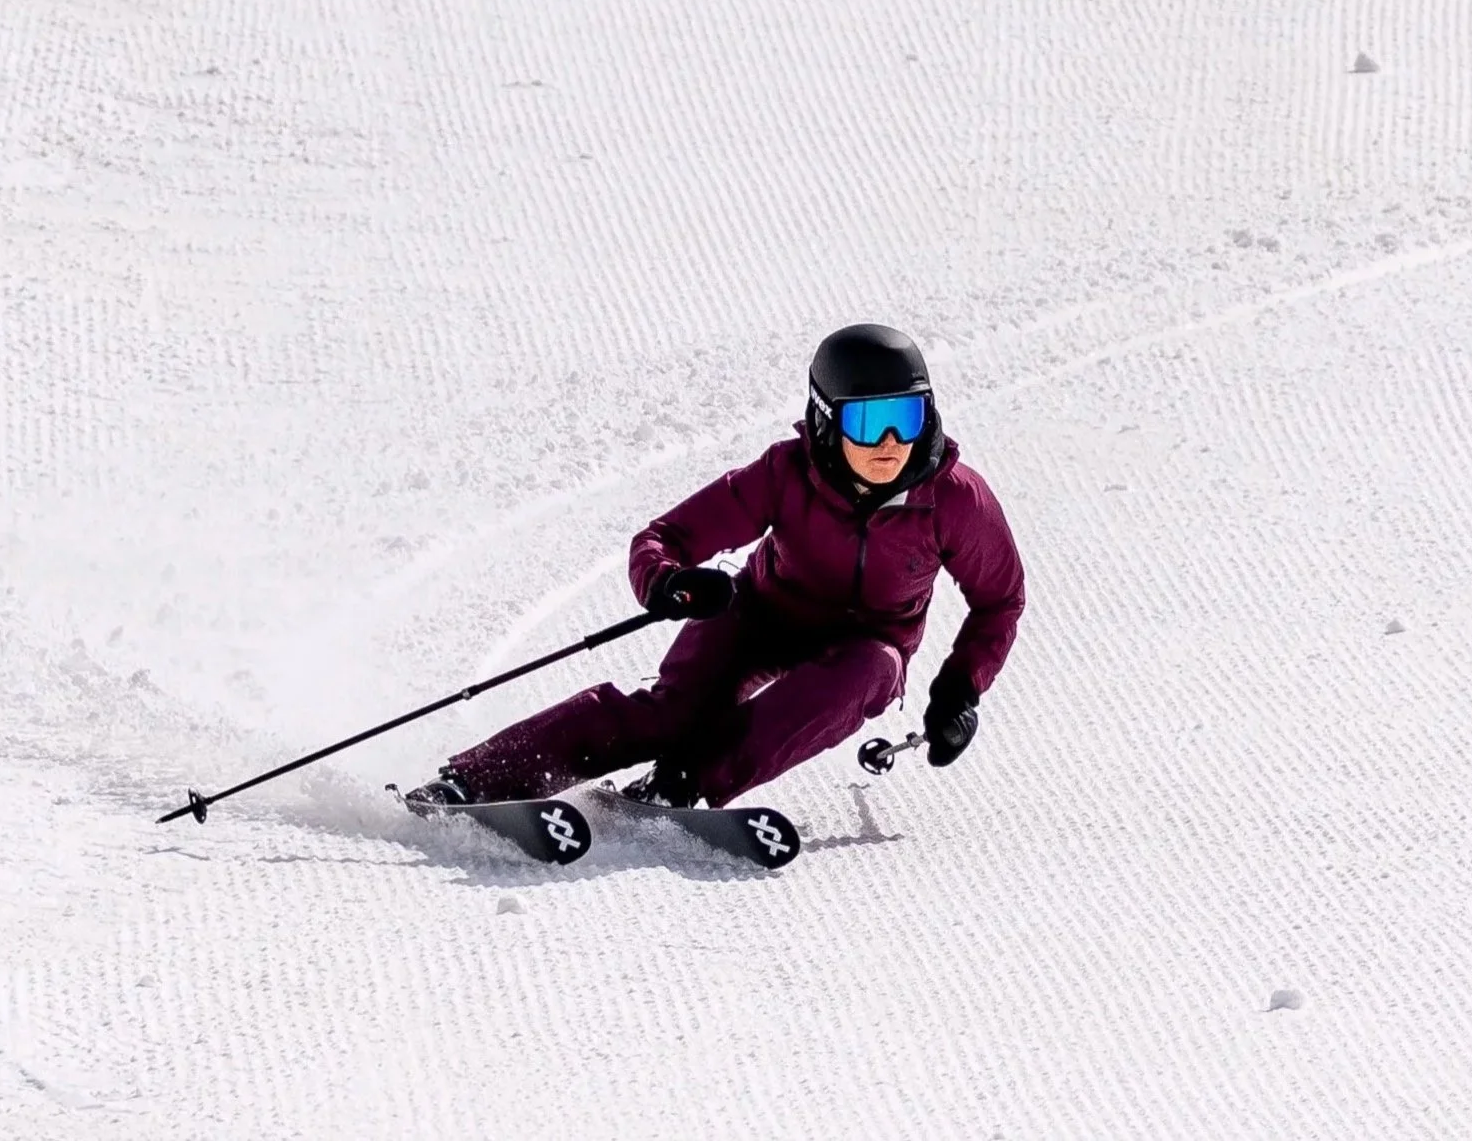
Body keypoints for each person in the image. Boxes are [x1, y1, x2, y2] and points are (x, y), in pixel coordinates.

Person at [404, 323, 1026, 811]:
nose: (891, 443)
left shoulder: (954, 500)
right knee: (671, 716)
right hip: (760, 616)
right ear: (826, 417)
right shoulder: (786, 473)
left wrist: (960, 689)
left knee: (872, 670)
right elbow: (663, 537)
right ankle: (476, 780)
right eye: (868, 422)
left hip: (863, 648)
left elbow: (999, 599)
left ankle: (685, 783)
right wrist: (668, 581)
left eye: (907, 417)